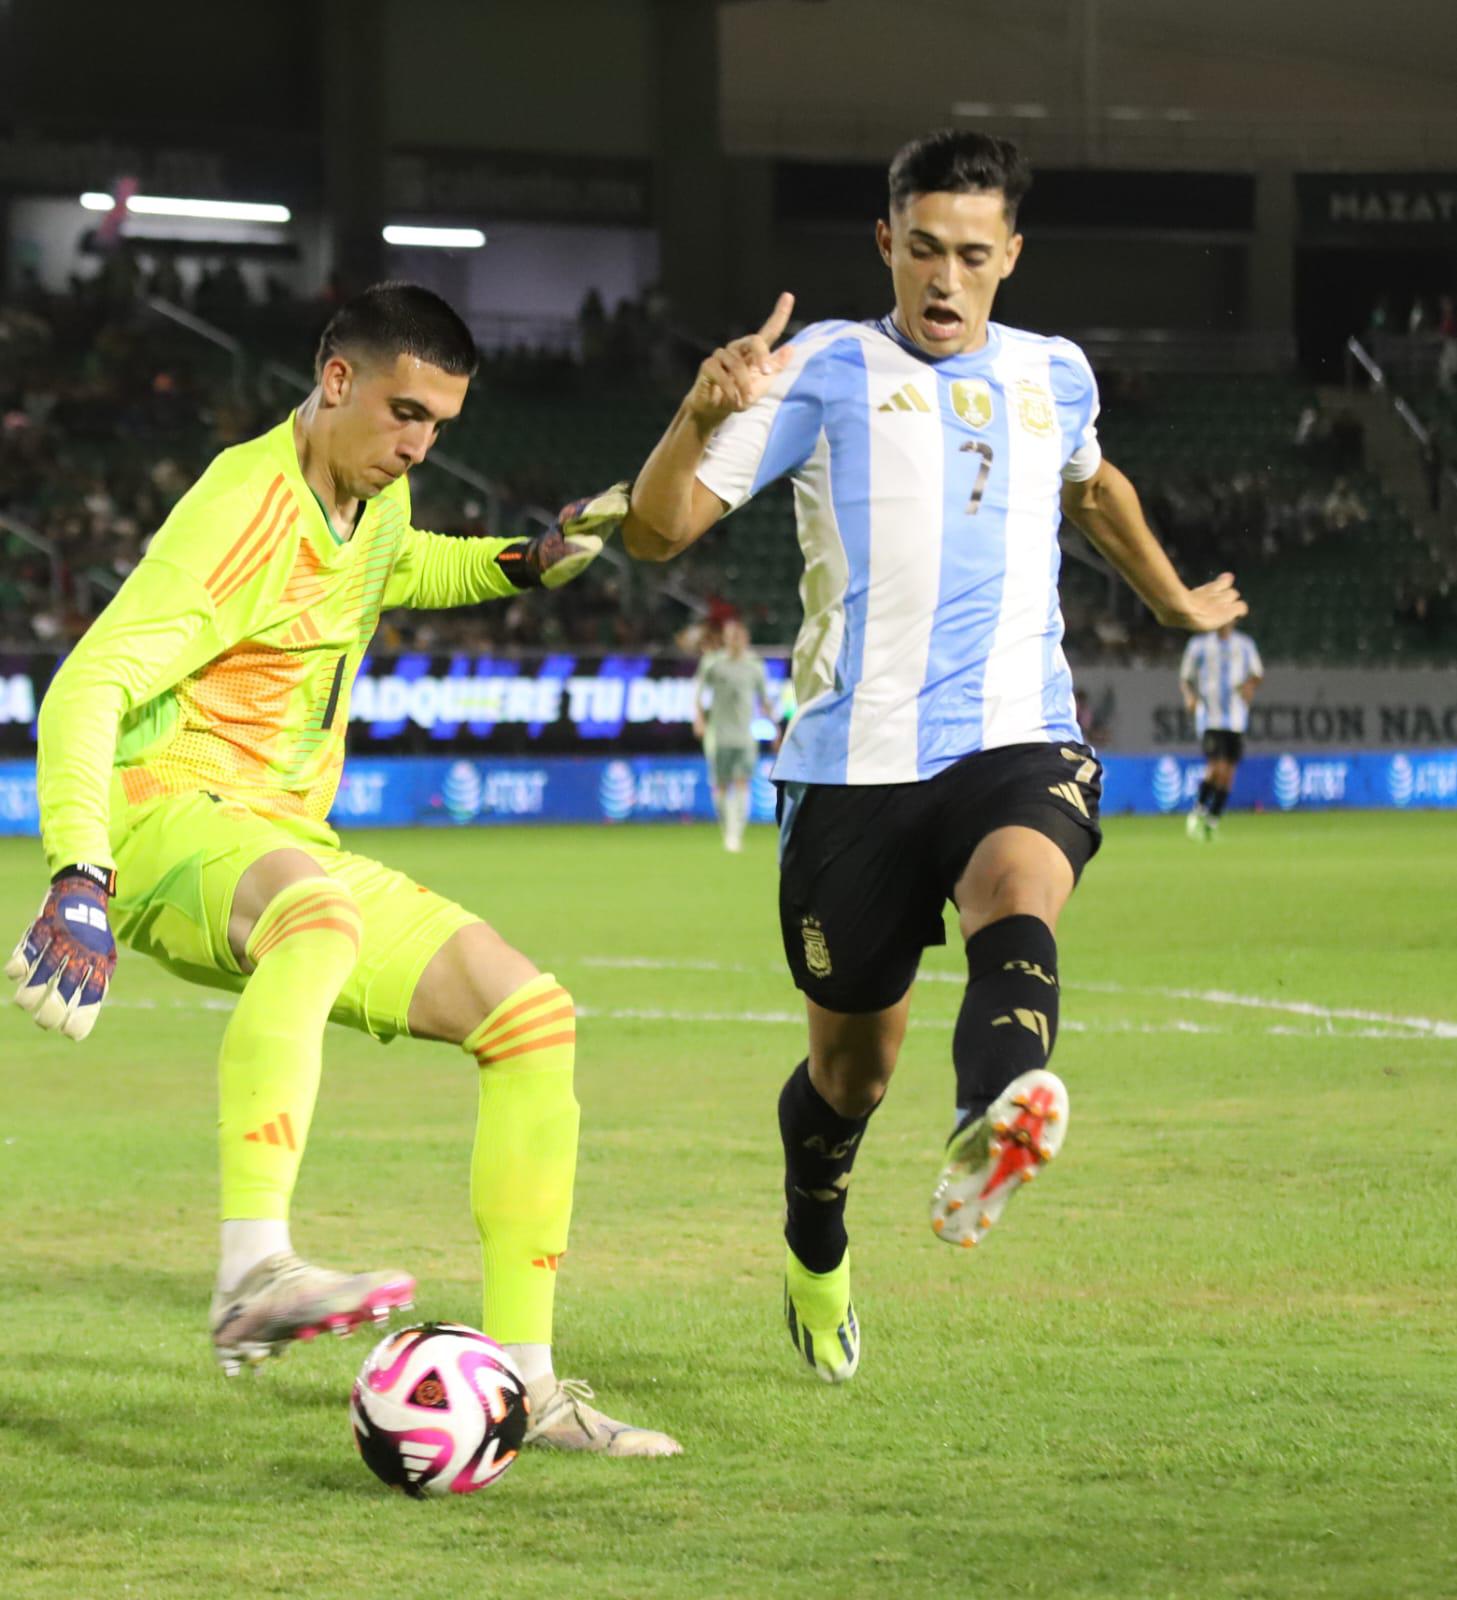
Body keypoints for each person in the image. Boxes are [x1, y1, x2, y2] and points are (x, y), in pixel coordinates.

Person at [6, 282, 677, 1457]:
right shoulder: (241, 506)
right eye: (404, 413)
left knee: (531, 1015)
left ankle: (528, 1384)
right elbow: (86, 686)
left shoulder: (376, 489)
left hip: (279, 836)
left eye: (438, 427)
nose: (417, 444)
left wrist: (519, 562)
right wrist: (80, 872)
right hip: (169, 816)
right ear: (334, 381)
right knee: (314, 916)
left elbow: (396, 567)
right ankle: (252, 1265)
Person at [620, 128, 1245, 1383]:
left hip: (1015, 731)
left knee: (1020, 882)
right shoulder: (818, 371)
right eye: (921, 251)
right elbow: (655, 531)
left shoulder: (1053, 374)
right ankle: (814, 1240)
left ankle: (998, 1108)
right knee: (848, 1077)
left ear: (1009, 254)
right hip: (850, 767)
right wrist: (696, 417)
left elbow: (1093, 488)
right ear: (884, 244)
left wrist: (1173, 599)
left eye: (970, 254)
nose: (943, 281)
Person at [692, 617, 777, 851]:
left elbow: (764, 700)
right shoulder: (713, 663)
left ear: (745, 638)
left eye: (738, 636)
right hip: (718, 736)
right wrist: (698, 718)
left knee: (742, 783)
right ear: (725, 638)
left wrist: (776, 727)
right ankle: (727, 828)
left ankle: (735, 834)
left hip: (744, 736)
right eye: (731, 636)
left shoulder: (755, 666)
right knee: (720, 785)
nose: (735, 640)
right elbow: (697, 691)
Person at [1180, 622, 1263, 841]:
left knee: (1228, 773)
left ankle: (1212, 820)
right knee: (1216, 767)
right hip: (1210, 717)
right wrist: (1189, 696)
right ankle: (1197, 812)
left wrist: (1249, 686)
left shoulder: (1245, 645)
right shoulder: (1199, 645)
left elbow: (1257, 673)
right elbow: (1185, 677)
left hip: (1236, 719)